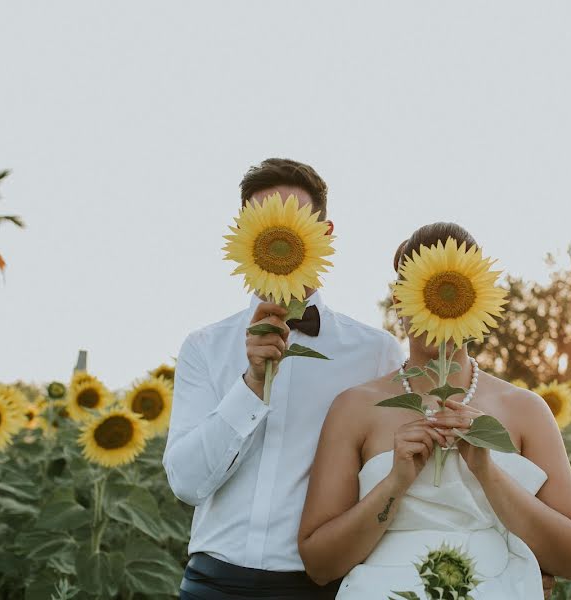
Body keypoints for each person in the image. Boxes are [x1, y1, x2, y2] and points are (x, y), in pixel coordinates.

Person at [298, 222, 571, 599]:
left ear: (477, 300)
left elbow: (569, 559)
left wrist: (486, 471)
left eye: (456, 291)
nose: (443, 304)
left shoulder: (525, 410)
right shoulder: (356, 408)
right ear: (400, 302)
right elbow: (321, 565)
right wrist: (395, 482)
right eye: (425, 291)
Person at [163, 158, 405, 599]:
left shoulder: (377, 353)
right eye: (261, 221)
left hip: (321, 586)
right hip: (212, 581)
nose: (277, 231)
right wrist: (251, 384)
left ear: (325, 234)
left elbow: (394, 487)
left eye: (293, 220)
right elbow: (186, 483)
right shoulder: (204, 347)